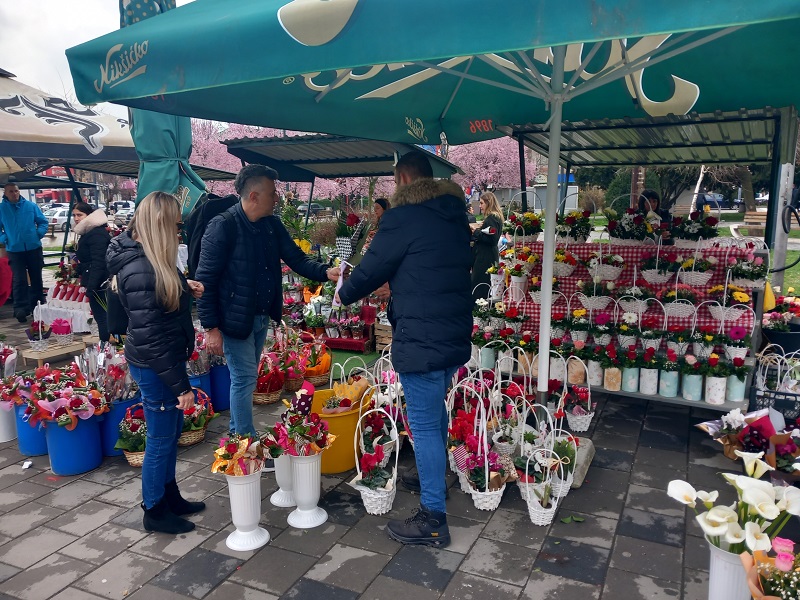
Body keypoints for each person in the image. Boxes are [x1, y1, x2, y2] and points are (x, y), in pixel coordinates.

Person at [336, 151, 472, 547]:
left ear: (403, 179)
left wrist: (344, 291)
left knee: (426, 426)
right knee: (436, 418)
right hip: (451, 334)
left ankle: (433, 518)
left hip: (422, 337)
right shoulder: (453, 215)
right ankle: (438, 479)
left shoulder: (403, 216)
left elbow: (372, 267)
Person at [196, 164, 339, 439]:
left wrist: (324, 271)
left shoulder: (271, 225)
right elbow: (205, 281)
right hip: (234, 318)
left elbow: (296, 258)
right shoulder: (223, 226)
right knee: (244, 378)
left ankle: (241, 436)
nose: (277, 198)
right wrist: (211, 327)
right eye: (272, 193)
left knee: (245, 379)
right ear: (253, 196)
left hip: (261, 315)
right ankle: (244, 441)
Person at [106, 191, 206, 535]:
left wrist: (183, 286)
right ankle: (154, 508)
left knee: (171, 432)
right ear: (160, 226)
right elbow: (151, 336)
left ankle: (169, 495)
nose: (179, 233)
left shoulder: (152, 260)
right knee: (161, 439)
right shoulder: (140, 269)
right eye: (175, 226)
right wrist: (181, 386)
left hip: (160, 361)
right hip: (155, 365)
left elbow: (159, 300)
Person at [0, 182, 49, 322]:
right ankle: (20, 308)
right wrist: (5, 239)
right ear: (5, 193)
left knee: (36, 279)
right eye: (11, 191)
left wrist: (37, 234)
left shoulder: (30, 206)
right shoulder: (2, 209)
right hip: (15, 250)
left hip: (33, 248)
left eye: (16, 191)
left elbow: (43, 222)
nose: (14, 194)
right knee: (19, 280)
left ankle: (38, 307)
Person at [72, 202, 111, 342]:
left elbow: (98, 262)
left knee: (103, 317)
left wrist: (92, 285)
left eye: (79, 215)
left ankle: (106, 348)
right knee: (101, 316)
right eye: (74, 215)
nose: (76, 218)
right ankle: (106, 347)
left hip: (100, 282)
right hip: (96, 280)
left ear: (89, 215)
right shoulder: (89, 232)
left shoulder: (95, 234)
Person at [470, 192, 503, 301]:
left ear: (489, 203)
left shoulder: (491, 218)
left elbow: (492, 239)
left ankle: (479, 309)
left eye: (482, 203)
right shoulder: (495, 217)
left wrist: (476, 232)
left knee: (480, 285)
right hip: (489, 255)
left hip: (485, 257)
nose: (480, 206)